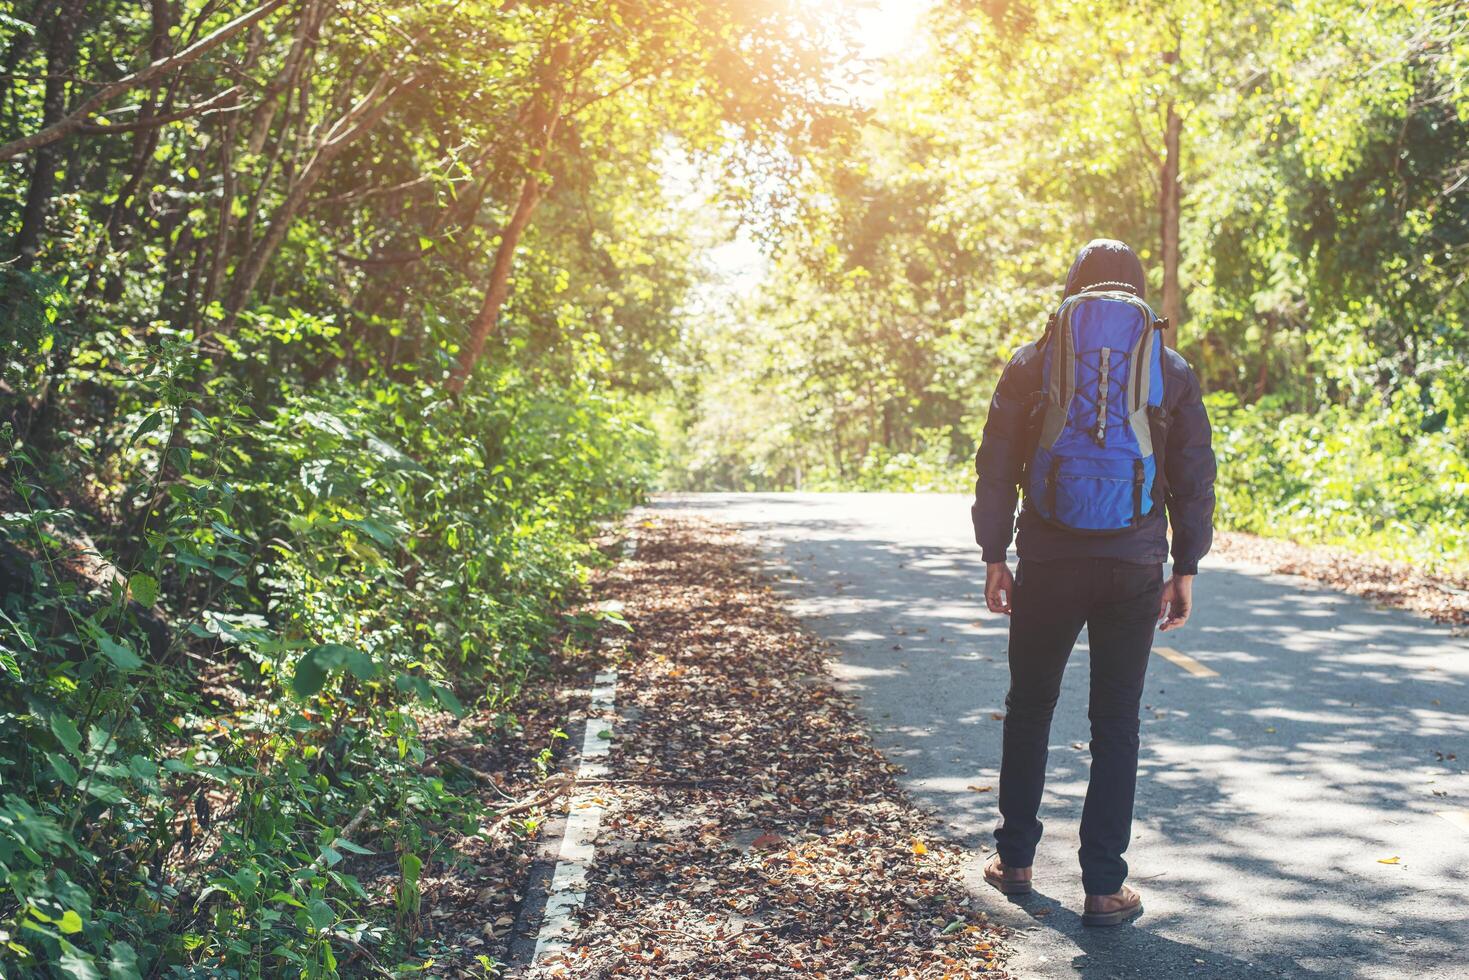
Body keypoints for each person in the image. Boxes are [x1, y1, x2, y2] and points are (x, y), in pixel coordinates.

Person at [970, 238, 1216, 926]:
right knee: (1115, 725)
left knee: (1029, 707)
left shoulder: (1032, 363)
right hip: (1133, 565)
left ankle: (1015, 860)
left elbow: (994, 465)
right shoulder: (1167, 367)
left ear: (1073, 287)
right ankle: (1103, 889)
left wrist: (995, 554)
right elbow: (1193, 477)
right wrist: (1185, 565)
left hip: (1048, 560)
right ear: (1139, 294)